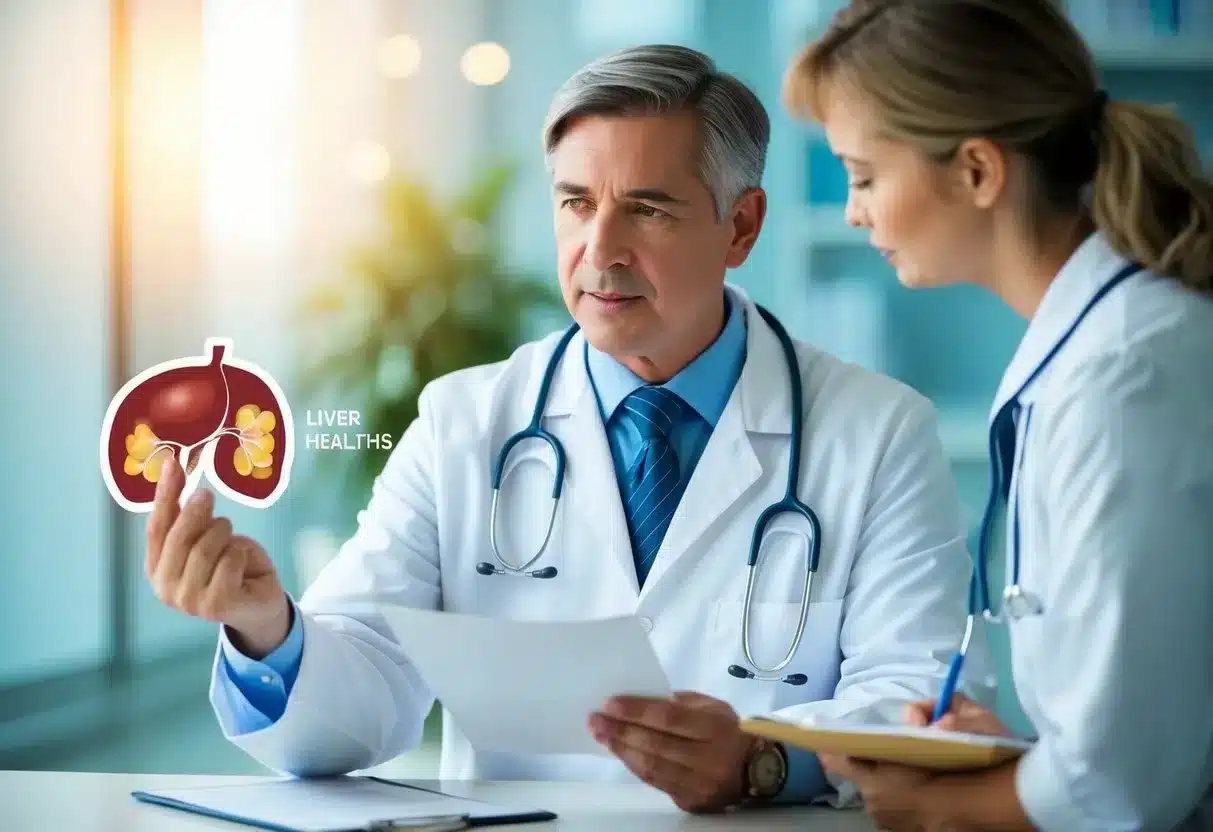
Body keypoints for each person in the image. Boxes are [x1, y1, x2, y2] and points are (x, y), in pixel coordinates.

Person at [144, 44, 993, 814]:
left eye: (648, 209)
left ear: (740, 226)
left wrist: (760, 760)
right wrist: (265, 625)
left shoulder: (877, 434)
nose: (599, 249)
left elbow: (919, 695)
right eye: (576, 203)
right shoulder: (463, 421)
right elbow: (360, 702)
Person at [780, 1, 1213, 829]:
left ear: (976, 172)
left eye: (864, 175)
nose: (852, 210)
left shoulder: (1124, 377)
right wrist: (1012, 761)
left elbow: (1121, 788)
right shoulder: (1095, 351)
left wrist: (936, 808)